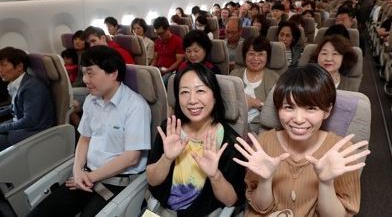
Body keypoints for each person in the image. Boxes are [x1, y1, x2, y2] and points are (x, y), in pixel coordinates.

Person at [27, 45, 151, 217]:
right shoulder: (91, 101)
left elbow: (131, 157)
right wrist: (77, 171)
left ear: (113, 73)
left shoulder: (135, 106)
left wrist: (90, 177)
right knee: (42, 213)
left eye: (90, 73)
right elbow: (84, 139)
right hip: (87, 175)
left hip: (117, 182)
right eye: (83, 73)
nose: (85, 79)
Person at [234, 64, 370, 216]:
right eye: (289, 107)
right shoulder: (264, 142)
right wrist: (265, 181)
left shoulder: (340, 152)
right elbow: (259, 208)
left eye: (311, 108)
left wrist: (326, 184)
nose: (298, 119)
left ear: (327, 111)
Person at [146, 63, 245, 216]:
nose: (192, 100)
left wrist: (215, 175)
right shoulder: (170, 129)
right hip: (159, 210)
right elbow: (152, 181)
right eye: (184, 92)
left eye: (200, 91)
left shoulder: (230, 143)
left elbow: (231, 201)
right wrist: (167, 158)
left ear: (215, 95)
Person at [0, 47, 55, 151]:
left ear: (20, 66)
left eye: (3, 65)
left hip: (34, 130)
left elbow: (30, 121)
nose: (0, 70)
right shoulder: (17, 83)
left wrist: (2, 128)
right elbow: (13, 107)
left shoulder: (32, 87)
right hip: (21, 123)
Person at [230, 36, 279, 134]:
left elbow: (277, 111)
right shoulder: (234, 74)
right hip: (234, 125)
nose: (255, 58)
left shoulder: (275, 78)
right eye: (251, 54)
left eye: (261, 54)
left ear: (267, 57)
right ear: (245, 56)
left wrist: (256, 103)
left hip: (261, 129)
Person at [151, 16, 185, 83]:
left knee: (162, 82)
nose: (159, 36)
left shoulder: (178, 41)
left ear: (168, 29)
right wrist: (150, 69)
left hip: (171, 71)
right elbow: (155, 59)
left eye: (161, 33)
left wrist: (167, 70)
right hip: (159, 69)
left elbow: (179, 61)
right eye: (157, 34)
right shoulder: (157, 41)